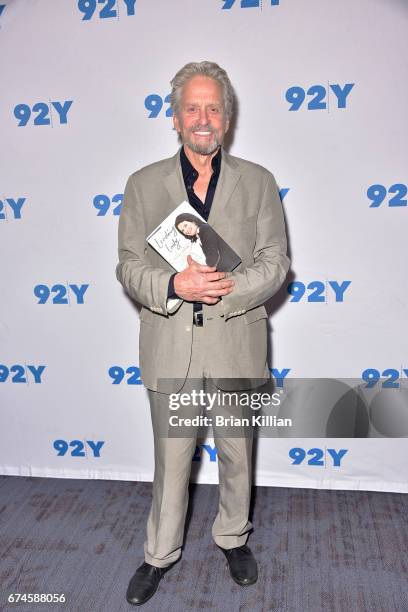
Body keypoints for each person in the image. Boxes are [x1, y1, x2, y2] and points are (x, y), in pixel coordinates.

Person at [116, 61, 290, 606]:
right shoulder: (143, 184)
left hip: (237, 341)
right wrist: (175, 284)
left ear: (228, 117)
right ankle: (158, 555)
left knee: (238, 453)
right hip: (170, 343)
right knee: (171, 462)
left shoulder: (258, 181)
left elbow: (275, 262)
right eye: (192, 107)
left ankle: (233, 538)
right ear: (174, 117)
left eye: (214, 107)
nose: (203, 118)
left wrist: (219, 288)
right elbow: (127, 265)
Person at [175, 212, 239, 270]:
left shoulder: (204, 229)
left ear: (193, 221)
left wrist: (198, 267)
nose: (186, 230)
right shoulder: (200, 234)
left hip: (233, 267)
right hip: (229, 267)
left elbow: (212, 259)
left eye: (185, 225)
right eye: (183, 230)